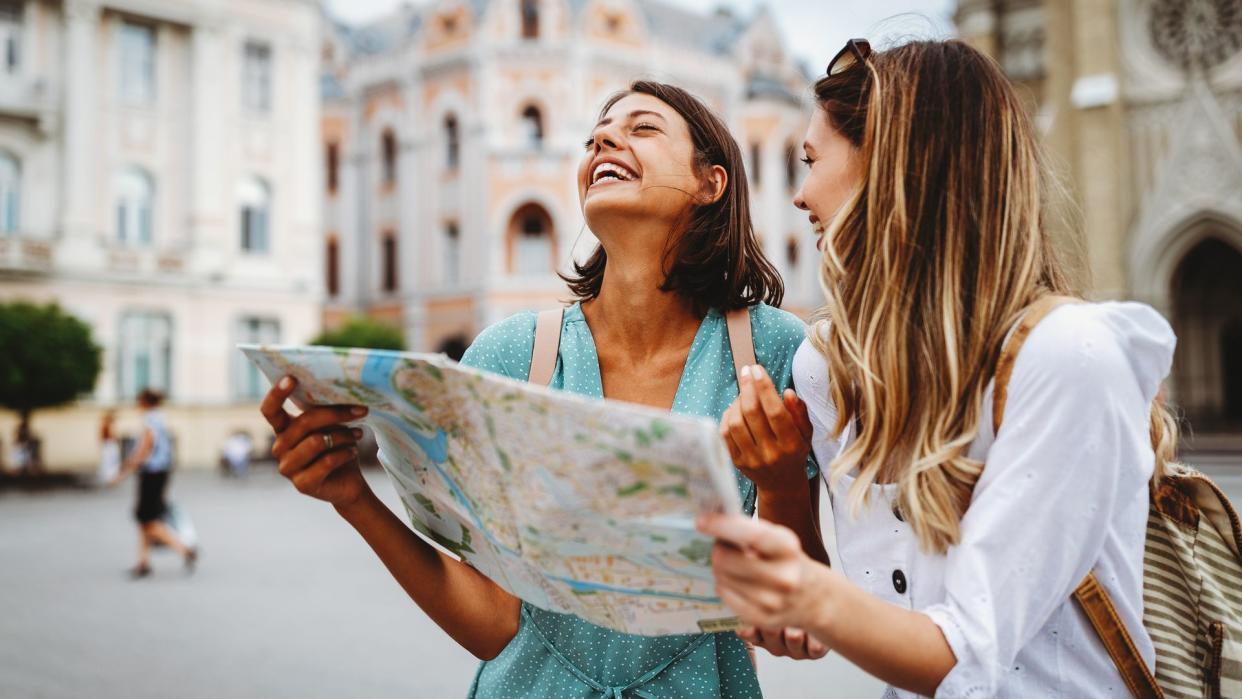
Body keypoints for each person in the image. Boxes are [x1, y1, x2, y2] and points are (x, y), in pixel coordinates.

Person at [260, 80, 827, 697]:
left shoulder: (775, 351)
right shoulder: (510, 355)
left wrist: (778, 485)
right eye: (596, 136)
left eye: (642, 128)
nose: (603, 138)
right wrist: (354, 499)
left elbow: (797, 611)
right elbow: (496, 623)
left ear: (711, 183)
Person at [699, 39, 1179, 697]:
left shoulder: (1069, 354)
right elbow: (815, 630)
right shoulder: (826, 366)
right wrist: (780, 485)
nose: (800, 195)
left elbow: (966, 654)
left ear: (897, 165)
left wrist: (799, 588)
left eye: (812, 160)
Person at [111, 388, 197, 578]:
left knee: (147, 519)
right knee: (145, 520)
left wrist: (123, 471)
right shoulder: (160, 418)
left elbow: (144, 449)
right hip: (159, 473)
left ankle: (185, 549)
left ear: (144, 402)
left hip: (152, 474)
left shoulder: (151, 420)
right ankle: (143, 562)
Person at [97, 410, 121, 486]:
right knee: (111, 462)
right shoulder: (108, 425)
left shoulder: (104, 425)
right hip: (110, 445)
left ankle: (110, 478)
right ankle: (111, 478)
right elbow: (112, 436)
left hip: (107, 445)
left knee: (108, 462)